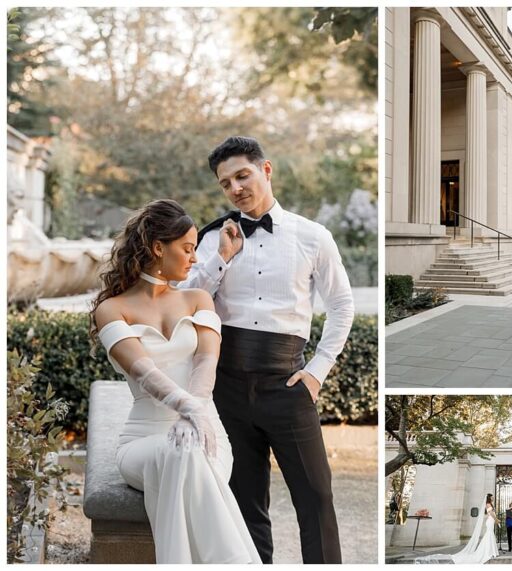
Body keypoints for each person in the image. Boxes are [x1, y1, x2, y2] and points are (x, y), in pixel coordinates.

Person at [179, 136, 355, 563]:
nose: (236, 188)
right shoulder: (210, 239)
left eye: (243, 175)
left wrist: (316, 372)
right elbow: (185, 302)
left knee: (316, 495)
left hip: (287, 383)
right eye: (226, 183)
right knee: (243, 502)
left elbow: (342, 305)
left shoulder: (313, 236)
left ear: (266, 170)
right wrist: (221, 258)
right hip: (228, 387)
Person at [91, 199, 261, 563]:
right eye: (187, 248)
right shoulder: (111, 308)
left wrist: (195, 413)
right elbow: (142, 371)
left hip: (207, 435)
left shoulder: (198, 298)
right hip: (142, 442)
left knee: (188, 451)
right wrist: (185, 406)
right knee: (180, 453)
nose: (195, 258)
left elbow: (206, 359)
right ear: (157, 248)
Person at [415, 494, 498, 564]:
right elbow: (490, 513)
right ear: (489, 497)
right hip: (491, 520)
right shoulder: (488, 504)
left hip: (491, 520)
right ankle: (488, 551)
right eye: (492, 497)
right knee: (489, 534)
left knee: (490, 534)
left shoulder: (490, 504)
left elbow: (489, 514)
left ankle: (491, 550)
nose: (493, 498)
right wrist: (496, 519)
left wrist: (494, 518)